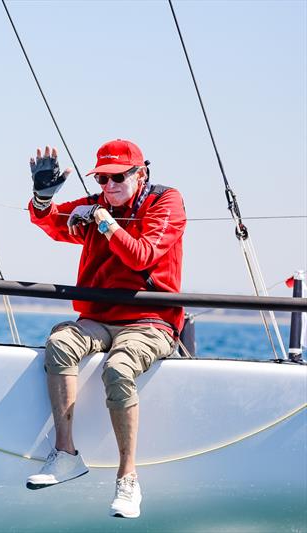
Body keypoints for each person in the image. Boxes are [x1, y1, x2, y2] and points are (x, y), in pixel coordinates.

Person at [24, 139, 186, 519]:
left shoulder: (166, 202)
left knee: (118, 368)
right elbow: (51, 223)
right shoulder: (99, 205)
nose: (108, 186)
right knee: (60, 342)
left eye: (117, 178)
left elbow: (142, 254)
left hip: (150, 321)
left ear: (140, 173)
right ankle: (65, 456)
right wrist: (43, 199)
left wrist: (104, 220)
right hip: (98, 318)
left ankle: (128, 478)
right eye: (102, 179)